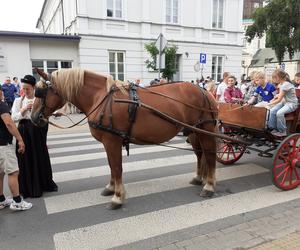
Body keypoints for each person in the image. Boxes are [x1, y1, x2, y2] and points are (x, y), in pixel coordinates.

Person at [11, 75, 57, 198]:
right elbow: (13, 118)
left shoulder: (39, 99)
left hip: (37, 131)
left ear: (33, 88)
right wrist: (23, 110)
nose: (25, 91)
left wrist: (56, 113)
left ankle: (42, 184)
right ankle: (27, 186)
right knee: (25, 158)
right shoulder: (18, 101)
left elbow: (47, 111)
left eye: (28, 89)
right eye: (23, 89)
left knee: (39, 156)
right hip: (24, 131)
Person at [0, 85, 32, 211]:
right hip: (3, 144)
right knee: (13, 172)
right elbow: (9, 123)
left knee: (0, 173)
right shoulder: (2, 105)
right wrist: (20, 139)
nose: (2, 93)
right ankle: (17, 201)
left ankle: (1, 200)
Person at [267, 69, 298, 137]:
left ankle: (282, 131)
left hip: (292, 103)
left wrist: (268, 104)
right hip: (285, 102)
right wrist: (275, 97)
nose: (273, 80)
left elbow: (279, 100)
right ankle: (273, 128)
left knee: (279, 113)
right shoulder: (282, 84)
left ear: (278, 77)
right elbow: (281, 95)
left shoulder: (285, 85)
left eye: (274, 78)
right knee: (272, 110)